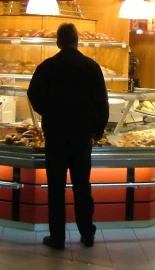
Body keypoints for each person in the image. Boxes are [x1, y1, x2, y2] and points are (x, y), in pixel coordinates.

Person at [27, 23, 109, 250]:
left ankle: (57, 237)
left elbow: (32, 94)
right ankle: (87, 233)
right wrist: (98, 128)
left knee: (56, 188)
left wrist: (48, 112)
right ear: (77, 41)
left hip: (55, 134)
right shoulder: (91, 67)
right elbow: (102, 101)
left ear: (58, 42)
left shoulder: (48, 66)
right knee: (82, 185)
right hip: (82, 135)